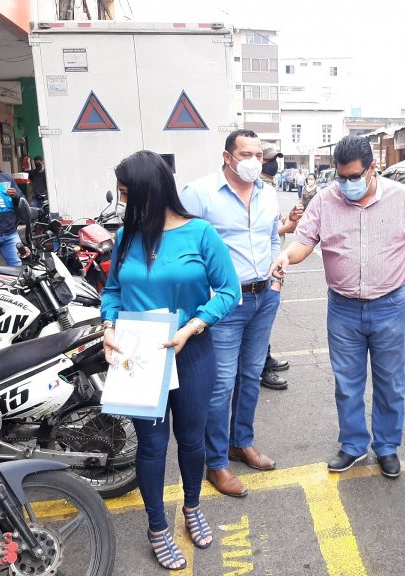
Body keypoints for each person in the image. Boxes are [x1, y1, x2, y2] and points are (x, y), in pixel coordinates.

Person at [101, 150, 240, 570]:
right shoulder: (126, 237)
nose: (123, 202)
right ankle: (158, 526)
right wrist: (108, 326)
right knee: (151, 446)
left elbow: (229, 291)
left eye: (128, 193)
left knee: (193, 439)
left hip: (191, 350)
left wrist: (192, 327)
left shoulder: (200, 234)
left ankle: (192, 507)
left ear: (151, 189)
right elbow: (111, 292)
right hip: (141, 356)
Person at [269, 135, 405, 479]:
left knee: (391, 383)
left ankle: (387, 447)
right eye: (341, 177)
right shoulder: (326, 200)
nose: (346, 184)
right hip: (343, 308)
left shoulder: (402, 198)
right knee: (347, 383)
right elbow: (304, 241)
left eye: (354, 177)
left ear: (372, 169)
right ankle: (353, 444)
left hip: (389, 305)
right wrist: (287, 256)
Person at [180, 129, 281, 498]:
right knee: (221, 384)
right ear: (227, 157)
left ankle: (242, 442)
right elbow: (183, 244)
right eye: (246, 153)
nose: (255, 160)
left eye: (259, 154)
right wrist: (205, 295)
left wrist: (275, 275)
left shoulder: (268, 193)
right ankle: (216, 462)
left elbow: (273, 237)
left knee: (251, 375)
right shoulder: (200, 193)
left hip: (263, 296)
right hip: (225, 302)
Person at [260, 142, 300, 391]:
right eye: (270, 159)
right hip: (261, 267)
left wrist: (289, 220)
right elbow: (259, 231)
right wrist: (286, 227)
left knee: (264, 319)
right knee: (259, 320)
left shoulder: (269, 186)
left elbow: (276, 224)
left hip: (274, 263)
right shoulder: (256, 187)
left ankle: (266, 358)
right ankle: (262, 368)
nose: (275, 164)